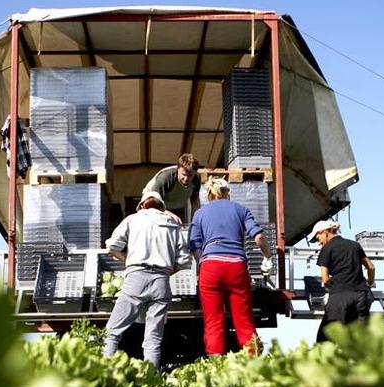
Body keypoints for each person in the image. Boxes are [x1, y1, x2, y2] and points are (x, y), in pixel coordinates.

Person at [103, 191, 192, 368]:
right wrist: (167, 271)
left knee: (112, 333)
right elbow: (184, 260)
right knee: (153, 339)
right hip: (161, 282)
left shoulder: (133, 219)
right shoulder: (172, 225)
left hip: (136, 278)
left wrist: (127, 259)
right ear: (162, 207)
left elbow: (112, 246)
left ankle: (104, 375)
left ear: (142, 205)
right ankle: (150, 380)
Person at [188, 177, 273, 356]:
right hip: (236, 267)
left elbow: (194, 243)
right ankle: (254, 364)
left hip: (210, 267)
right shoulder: (241, 210)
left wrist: (202, 262)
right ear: (228, 192)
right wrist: (268, 258)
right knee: (244, 321)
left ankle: (216, 366)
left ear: (209, 194)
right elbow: (259, 237)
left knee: (213, 322)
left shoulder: (200, 214)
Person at [310, 220, 374, 343]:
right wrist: (369, 283)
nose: (318, 243)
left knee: (326, 337)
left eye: (318, 238)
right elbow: (370, 267)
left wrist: (331, 288)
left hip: (340, 296)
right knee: (361, 338)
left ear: (325, 232)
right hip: (361, 295)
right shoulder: (354, 245)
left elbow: (325, 279)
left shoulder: (327, 249)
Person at [142, 153, 201, 223]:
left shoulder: (196, 178)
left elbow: (195, 202)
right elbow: (153, 205)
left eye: (190, 175)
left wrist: (197, 220)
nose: (186, 179)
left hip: (175, 205)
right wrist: (170, 215)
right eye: (183, 174)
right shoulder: (165, 178)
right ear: (178, 169)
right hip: (152, 203)